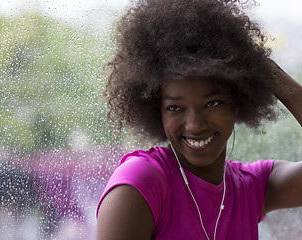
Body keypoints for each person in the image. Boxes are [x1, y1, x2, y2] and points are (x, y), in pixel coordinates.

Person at [95, 0, 302, 239]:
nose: (195, 124)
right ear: (156, 111)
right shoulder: (142, 184)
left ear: (238, 100)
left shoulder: (251, 188)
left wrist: (264, 71)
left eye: (212, 103)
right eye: (175, 107)